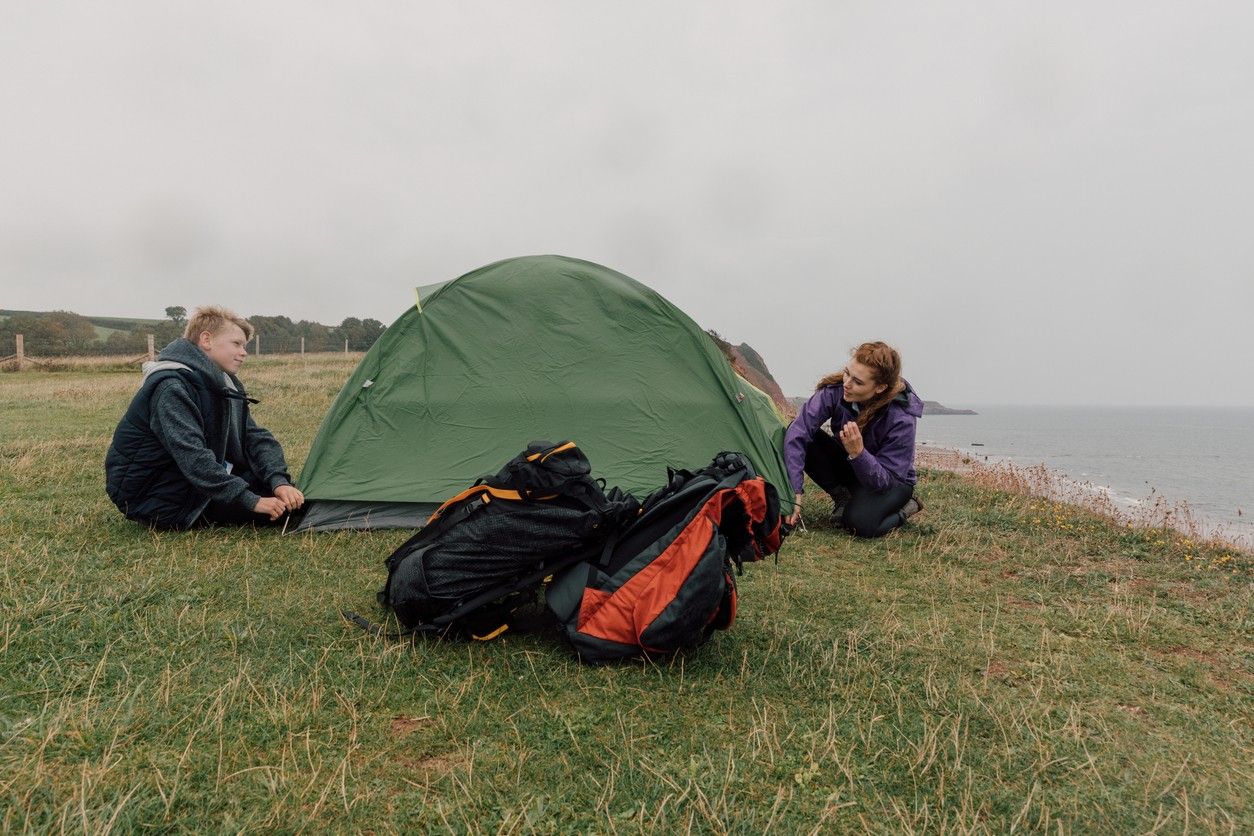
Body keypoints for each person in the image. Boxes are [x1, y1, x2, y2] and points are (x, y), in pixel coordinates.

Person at [105, 305, 304, 529]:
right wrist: (252, 501)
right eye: (236, 344)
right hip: (158, 495)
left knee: (294, 500)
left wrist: (278, 482)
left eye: (244, 346)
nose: (244, 352)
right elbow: (192, 456)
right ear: (206, 340)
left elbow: (254, 437)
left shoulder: (221, 382)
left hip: (191, 480)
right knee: (283, 513)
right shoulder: (171, 387)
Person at [783, 341, 924, 538]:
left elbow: (884, 482)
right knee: (802, 436)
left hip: (892, 482)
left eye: (858, 382)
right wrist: (794, 491)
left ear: (880, 387)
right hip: (853, 464)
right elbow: (798, 431)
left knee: (859, 524)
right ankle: (843, 497)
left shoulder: (901, 418)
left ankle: (906, 509)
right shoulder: (836, 390)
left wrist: (859, 453)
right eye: (847, 373)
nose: (846, 384)